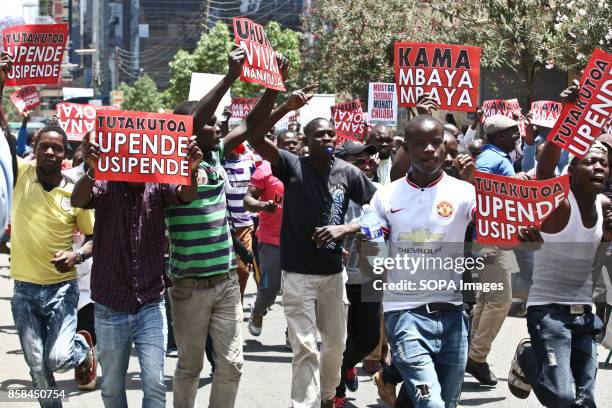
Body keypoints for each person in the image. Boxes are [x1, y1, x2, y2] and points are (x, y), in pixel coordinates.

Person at [165, 48, 289, 408]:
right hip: (188, 286)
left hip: (225, 282)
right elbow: (192, 123)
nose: (217, 125)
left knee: (232, 364)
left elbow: (251, 126)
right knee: (190, 366)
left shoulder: (217, 153)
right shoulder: (170, 164)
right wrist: (231, 76)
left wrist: (272, 86)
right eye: (209, 121)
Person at [249, 106, 377, 407]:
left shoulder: (349, 173)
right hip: (296, 275)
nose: (327, 138)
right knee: (305, 347)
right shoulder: (292, 165)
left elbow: (378, 212)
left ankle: (328, 396)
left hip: (333, 275)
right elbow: (255, 135)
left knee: (336, 345)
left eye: (331, 133)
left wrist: (345, 228)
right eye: (319, 134)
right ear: (306, 140)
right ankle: (303, 404)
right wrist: (283, 106)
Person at [71, 129, 203, 407]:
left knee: (154, 383)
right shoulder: (104, 182)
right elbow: (78, 200)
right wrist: (92, 170)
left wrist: (191, 170)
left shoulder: (160, 185)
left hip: (150, 304)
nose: (136, 161)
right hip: (109, 306)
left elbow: (186, 195)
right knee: (111, 387)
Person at [1, 51, 97, 407]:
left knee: (57, 358)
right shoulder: (20, 177)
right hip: (24, 290)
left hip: (61, 291)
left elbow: (91, 238)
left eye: (57, 148)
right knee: (38, 368)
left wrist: (76, 253)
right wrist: (1, 79)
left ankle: (84, 349)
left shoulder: (75, 192)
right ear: (35, 151)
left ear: (65, 153)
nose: (50, 153)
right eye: (44, 147)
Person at [508, 82, 612, 408]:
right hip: (549, 314)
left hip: (584, 317)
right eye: (589, 162)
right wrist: (569, 113)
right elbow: (545, 169)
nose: (598, 167)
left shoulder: (605, 208)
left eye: (603, 163)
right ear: (573, 172)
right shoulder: (558, 204)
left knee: (586, 400)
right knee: (563, 398)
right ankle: (528, 357)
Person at [369, 115, 478, 408]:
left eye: (436, 142)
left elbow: (495, 228)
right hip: (404, 316)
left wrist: (482, 188)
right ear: (405, 147)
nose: (430, 149)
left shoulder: (466, 191)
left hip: (454, 316)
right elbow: (371, 235)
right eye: (421, 144)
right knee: (431, 403)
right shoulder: (386, 196)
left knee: (447, 402)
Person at [467, 114, 525, 386]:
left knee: (486, 300)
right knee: (501, 300)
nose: (517, 136)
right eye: (513, 133)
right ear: (499, 136)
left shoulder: (499, 158)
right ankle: (477, 357)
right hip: (492, 243)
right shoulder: (490, 161)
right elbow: (479, 192)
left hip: (498, 240)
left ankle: (472, 354)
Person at [332, 140, 382, 408]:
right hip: (336, 276)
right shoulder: (329, 191)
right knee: (338, 338)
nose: (365, 166)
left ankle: (349, 364)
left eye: (368, 161)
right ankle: (336, 390)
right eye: (358, 162)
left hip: (369, 277)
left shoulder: (379, 192)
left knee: (368, 339)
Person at [244, 130, 299, 336]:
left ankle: (292, 333)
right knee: (270, 288)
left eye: (295, 143)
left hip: (298, 242)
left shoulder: (305, 169)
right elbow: (247, 200)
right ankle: (258, 311)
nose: (291, 147)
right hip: (271, 241)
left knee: (296, 293)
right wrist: (261, 205)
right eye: (286, 143)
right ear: (277, 145)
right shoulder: (264, 170)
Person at [223, 143, 257, 300]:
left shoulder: (250, 162)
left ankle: (238, 302)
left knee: (243, 269)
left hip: (244, 224)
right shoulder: (219, 164)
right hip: (223, 225)